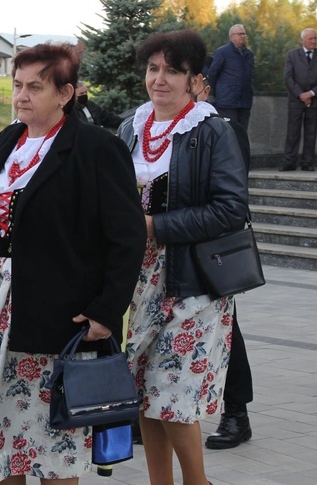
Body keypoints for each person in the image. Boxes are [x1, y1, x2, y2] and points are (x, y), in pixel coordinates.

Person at [0, 42, 146, 484]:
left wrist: (106, 309)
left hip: (53, 313)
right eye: (17, 85)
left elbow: (127, 236)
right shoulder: (8, 140)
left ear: (65, 93)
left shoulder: (96, 147)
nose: (21, 96)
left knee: (50, 439)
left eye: (35, 87)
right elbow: (0, 227)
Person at [117, 30, 249, 485]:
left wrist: (158, 226)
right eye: (154, 69)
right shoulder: (129, 129)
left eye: (173, 70)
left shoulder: (213, 132)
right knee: (145, 396)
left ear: (195, 80)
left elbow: (232, 210)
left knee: (172, 396)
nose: (160, 79)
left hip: (192, 282)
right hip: (135, 282)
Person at [196, 77, 256, 451]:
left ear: (198, 82)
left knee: (226, 332)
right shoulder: (143, 124)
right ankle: (143, 413)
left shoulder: (225, 128)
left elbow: (233, 194)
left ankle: (236, 412)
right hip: (156, 254)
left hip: (209, 251)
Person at [207, 24, 255, 132]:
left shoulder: (249, 55)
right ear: (231, 36)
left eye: (244, 34)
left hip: (245, 101)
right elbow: (213, 74)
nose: (242, 36)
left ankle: (242, 150)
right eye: (239, 34)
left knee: (242, 133)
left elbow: (250, 76)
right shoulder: (222, 52)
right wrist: (219, 92)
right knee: (230, 132)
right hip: (227, 102)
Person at [282, 27, 317, 171]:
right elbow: (288, 77)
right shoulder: (292, 55)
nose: (314, 41)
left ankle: (307, 163)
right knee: (293, 132)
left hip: (314, 100)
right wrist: (300, 94)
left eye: (315, 38)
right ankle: (289, 162)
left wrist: (311, 93)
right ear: (302, 40)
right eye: (311, 39)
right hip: (296, 100)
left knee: (311, 132)